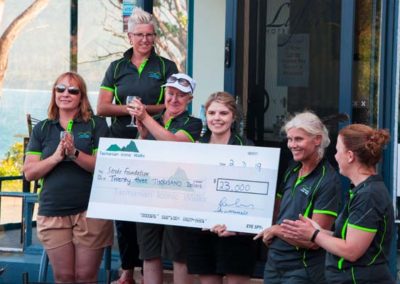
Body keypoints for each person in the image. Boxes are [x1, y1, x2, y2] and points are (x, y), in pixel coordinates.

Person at [97, 7, 178, 284]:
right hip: (121, 146)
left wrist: (146, 112)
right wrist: (129, 110)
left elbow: (171, 105)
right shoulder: (117, 67)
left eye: (150, 35)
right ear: (130, 36)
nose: (145, 40)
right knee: (123, 212)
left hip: (155, 144)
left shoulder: (167, 67)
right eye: (140, 35)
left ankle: (150, 271)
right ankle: (127, 271)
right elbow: (102, 107)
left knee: (151, 210)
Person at [23, 72, 113, 283]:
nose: (66, 94)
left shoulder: (97, 125)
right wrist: (56, 157)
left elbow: (103, 167)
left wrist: (74, 154)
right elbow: (29, 172)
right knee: (63, 276)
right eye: (60, 89)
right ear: (54, 93)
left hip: (91, 210)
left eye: (73, 90)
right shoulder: (43, 128)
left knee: (85, 276)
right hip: (53, 210)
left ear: (82, 97)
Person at [281, 124, 395, 284]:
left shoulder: (369, 195)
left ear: (349, 156)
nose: (335, 156)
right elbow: (345, 239)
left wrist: (313, 235)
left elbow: (351, 250)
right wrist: (317, 230)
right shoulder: (362, 190)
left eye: (337, 151)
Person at [128, 72, 201, 284]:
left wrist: (145, 118)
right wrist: (142, 134)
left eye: (181, 95)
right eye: (170, 93)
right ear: (164, 94)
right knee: (149, 254)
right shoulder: (153, 120)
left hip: (179, 198)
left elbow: (174, 143)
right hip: (148, 194)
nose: (174, 99)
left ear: (190, 100)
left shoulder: (193, 123)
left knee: (180, 255)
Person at [254, 111, 341, 284]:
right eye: (290, 139)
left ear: (317, 139)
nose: (292, 145)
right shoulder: (292, 170)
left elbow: (316, 241)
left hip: (302, 268)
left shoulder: (328, 180)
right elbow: (276, 211)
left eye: (298, 139)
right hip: (274, 262)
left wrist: (277, 230)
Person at [185, 92, 257, 284]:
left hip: (235, 234)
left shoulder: (248, 149)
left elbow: (252, 196)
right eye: (212, 113)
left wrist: (236, 227)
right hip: (202, 231)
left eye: (223, 113)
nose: (217, 118)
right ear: (205, 115)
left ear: (233, 117)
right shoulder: (195, 148)